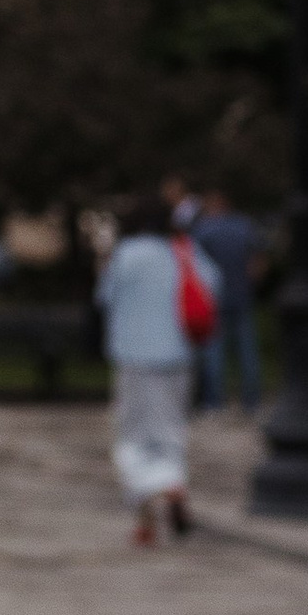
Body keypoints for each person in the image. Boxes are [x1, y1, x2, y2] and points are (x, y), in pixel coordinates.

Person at [98, 193, 194, 544]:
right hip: (177, 356)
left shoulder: (127, 254)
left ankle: (149, 513)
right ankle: (174, 484)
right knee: (170, 429)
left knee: (134, 435)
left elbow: (105, 297)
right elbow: (211, 286)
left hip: (135, 356)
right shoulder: (183, 251)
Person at [185, 186, 263, 414]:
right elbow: (258, 262)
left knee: (214, 352)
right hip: (242, 295)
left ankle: (215, 402)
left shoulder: (203, 230)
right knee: (247, 349)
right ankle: (251, 401)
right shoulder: (244, 226)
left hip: (214, 298)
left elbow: (193, 263)